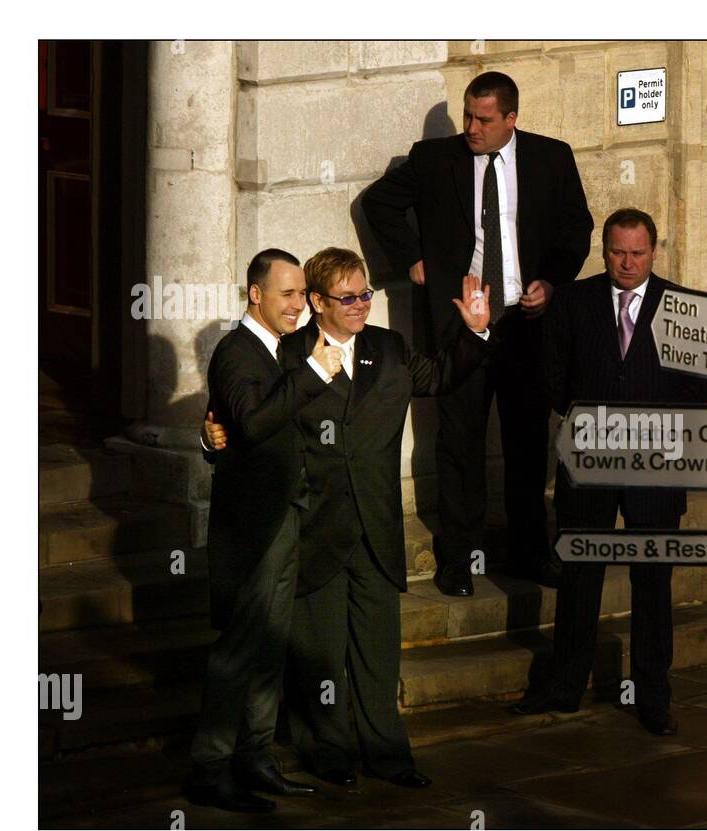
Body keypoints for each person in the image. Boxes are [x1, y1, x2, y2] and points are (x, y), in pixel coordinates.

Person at [206, 249, 492, 788]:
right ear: (317, 303)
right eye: (348, 297)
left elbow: (440, 376)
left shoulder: (388, 347)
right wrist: (209, 434)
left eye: (365, 294)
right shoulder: (286, 353)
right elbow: (251, 421)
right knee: (319, 653)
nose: (361, 305)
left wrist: (474, 332)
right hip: (314, 525)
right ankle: (326, 751)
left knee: (378, 650)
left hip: (377, 526)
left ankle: (388, 753)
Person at [362, 70, 593, 597]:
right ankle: (456, 560)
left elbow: (576, 227)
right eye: (468, 115)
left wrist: (551, 283)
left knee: (527, 444)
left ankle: (531, 552)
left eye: (484, 119)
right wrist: (413, 260)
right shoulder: (434, 159)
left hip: (526, 325)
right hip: (462, 326)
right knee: (458, 443)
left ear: (511, 118)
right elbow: (379, 204)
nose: (472, 127)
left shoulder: (551, 158)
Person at [510, 209, 707, 736]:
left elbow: (700, 387)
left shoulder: (683, 309)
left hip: (655, 467)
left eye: (638, 254)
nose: (627, 263)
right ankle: (565, 687)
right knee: (580, 579)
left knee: (653, 585)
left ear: (654, 252)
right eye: (618, 253)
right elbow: (551, 376)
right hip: (589, 461)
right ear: (605, 252)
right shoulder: (574, 302)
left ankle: (653, 697)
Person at [186, 249, 344, 813]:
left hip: (287, 514)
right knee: (240, 646)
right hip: (253, 527)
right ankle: (209, 768)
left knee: (271, 645)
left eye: (302, 294)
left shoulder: (285, 349)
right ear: (256, 294)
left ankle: (254, 758)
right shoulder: (237, 351)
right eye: (288, 294)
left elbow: (241, 423)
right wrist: (310, 375)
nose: (299, 305)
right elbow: (253, 423)